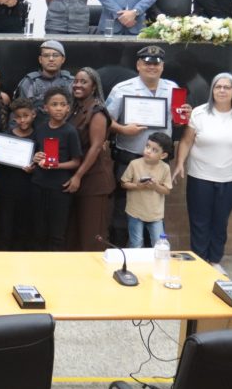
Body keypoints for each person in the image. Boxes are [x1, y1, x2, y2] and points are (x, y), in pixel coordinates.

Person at [173, 73, 232, 270]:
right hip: (200, 177)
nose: (222, 90)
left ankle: (215, 260)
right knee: (199, 221)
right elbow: (186, 141)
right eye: (218, 87)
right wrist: (179, 164)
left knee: (220, 222)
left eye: (227, 87)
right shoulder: (200, 113)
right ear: (212, 90)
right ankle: (200, 262)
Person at [106, 45, 188, 246]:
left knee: (154, 209)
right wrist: (123, 130)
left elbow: (177, 122)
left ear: (162, 66)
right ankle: (122, 253)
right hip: (130, 158)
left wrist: (184, 115)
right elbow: (105, 120)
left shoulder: (173, 89)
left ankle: (152, 255)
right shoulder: (123, 89)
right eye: (147, 63)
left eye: (156, 64)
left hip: (159, 162)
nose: (152, 67)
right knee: (123, 209)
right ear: (138, 65)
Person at [64, 68, 116, 252]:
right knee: (75, 236)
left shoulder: (97, 111)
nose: (78, 85)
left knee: (91, 237)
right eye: (76, 81)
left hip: (93, 181)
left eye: (83, 82)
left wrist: (78, 175)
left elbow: (95, 147)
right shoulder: (76, 108)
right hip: (78, 179)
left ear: (94, 86)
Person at [30, 87, 82, 250]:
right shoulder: (40, 129)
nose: (58, 108)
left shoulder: (70, 132)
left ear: (68, 108)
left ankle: (54, 268)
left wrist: (56, 165)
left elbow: (76, 161)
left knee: (57, 232)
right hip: (38, 185)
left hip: (60, 188)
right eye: (54, 104)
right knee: (38, 230)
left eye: (62, 104)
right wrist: (36, 158)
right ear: (46, 108)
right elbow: (35, 155)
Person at [0, 98, 36, 250]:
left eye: (26, 116)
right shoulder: (5, 137)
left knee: (23, 228)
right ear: (13, 118)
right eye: (18, 117)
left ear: (34, 114)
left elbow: (40, 163)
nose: (22, 120)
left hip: (27, 191)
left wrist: (34, 167)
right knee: (4, 226)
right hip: (5, 190)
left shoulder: (38, 137)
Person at [121, 132, 173, 248]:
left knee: (159, 243)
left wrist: (156, 187)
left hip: (155, 214)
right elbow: (124, 183)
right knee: (136, 242)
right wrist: (137, 186)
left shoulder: (165, 168)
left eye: (154, 150)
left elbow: (167, 190)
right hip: (135, 211)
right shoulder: (134, 164)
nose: (148, 151)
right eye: (147, 146)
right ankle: (134, 265)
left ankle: (158, 266)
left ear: (163, 155)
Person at [14, 40, 74, 111]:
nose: (51, 59)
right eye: (46, 55)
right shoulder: (29, 82)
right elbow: (21, 113)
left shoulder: (71, 82)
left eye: (55, 55)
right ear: (40, 59)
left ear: (63, 59)